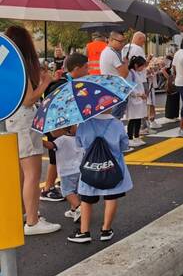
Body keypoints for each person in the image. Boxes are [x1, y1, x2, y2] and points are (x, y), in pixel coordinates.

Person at [5, 26, 61, 235]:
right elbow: (28, 100)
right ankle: (33, 222)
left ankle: (23, 213)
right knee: (32, 173)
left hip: (13, 121)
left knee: (21, 172)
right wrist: (45, 83)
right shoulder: (20, 66)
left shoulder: (8, 65)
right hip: (25, 121)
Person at [68, 108, 133, 244]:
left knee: (86, 198)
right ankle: (106, 230)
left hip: (90, 167)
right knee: (111, 196)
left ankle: (84, 232)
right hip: (112, 167)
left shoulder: (84, 123)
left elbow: (79, 143)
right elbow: (124, 145)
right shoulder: (117, 124)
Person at [41, 53, 90, 202]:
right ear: (76, 68)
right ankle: (48, 189)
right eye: (86, 67)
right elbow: (52, 108)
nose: (88, 70)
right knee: (55, 157)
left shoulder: (70, 81)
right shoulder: (61, 84)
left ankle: (56, 186)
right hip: (57, 127)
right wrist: (66, 129)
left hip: (66, 127)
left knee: (60, 157)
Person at [47, 126, 84, 223]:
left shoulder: (62, 139)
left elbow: (51, 146)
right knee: (76, 192)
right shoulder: (80, 138)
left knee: (67, 192)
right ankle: (73, 211)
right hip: (80, 170)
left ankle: (79, 208)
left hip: (67, 171)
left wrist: (40, 141)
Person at [100, 31, 129, 119]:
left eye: (123, 41)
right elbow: (124, 74)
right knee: (114, 118)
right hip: (116, 88)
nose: (122, 44)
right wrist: (126, 64)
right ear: (111, 40)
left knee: (112, 116)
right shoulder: (112, 54)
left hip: (110, 86)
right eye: (120, 41)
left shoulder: (108, 51)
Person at [126, 56, 149, 147]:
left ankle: (136, 136)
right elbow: (130, 87)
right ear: (136, 65)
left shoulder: (136, 73)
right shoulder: (130, 73)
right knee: (132, 119)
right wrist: (139, 94)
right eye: (142, 66)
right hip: (134, 99)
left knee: (138, 118)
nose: (143, 68)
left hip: (139, 99)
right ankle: (130, 138)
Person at [163, 44, 180, 121]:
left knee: (176, 97)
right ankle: (170, 115)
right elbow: (164, 70)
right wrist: (169, 79)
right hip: (171, 80)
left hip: (174, 79)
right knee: (171, 97)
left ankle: (175, 115)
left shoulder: (174, 58)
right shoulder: (168, 59)